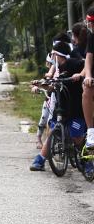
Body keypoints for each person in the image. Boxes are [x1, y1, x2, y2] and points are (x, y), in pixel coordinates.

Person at [30, 41, 86, 172]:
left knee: (77, 136)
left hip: (76, 109)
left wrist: (80, 75)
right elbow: (51, 87)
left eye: (53, 54)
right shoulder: (56, 69)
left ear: (56, 54)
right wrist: (39, 85)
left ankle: (85, 160)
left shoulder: (74, 63)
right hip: (61, 107)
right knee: (52, 132)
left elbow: (87, 65)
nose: (51, 57)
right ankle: (40, 159)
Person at [82, 7, 94, 148]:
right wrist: (88, 75)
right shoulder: (91, 37)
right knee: (87, 89)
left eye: (91, 22)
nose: (90, 25)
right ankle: (91, 131)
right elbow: (89, 58)